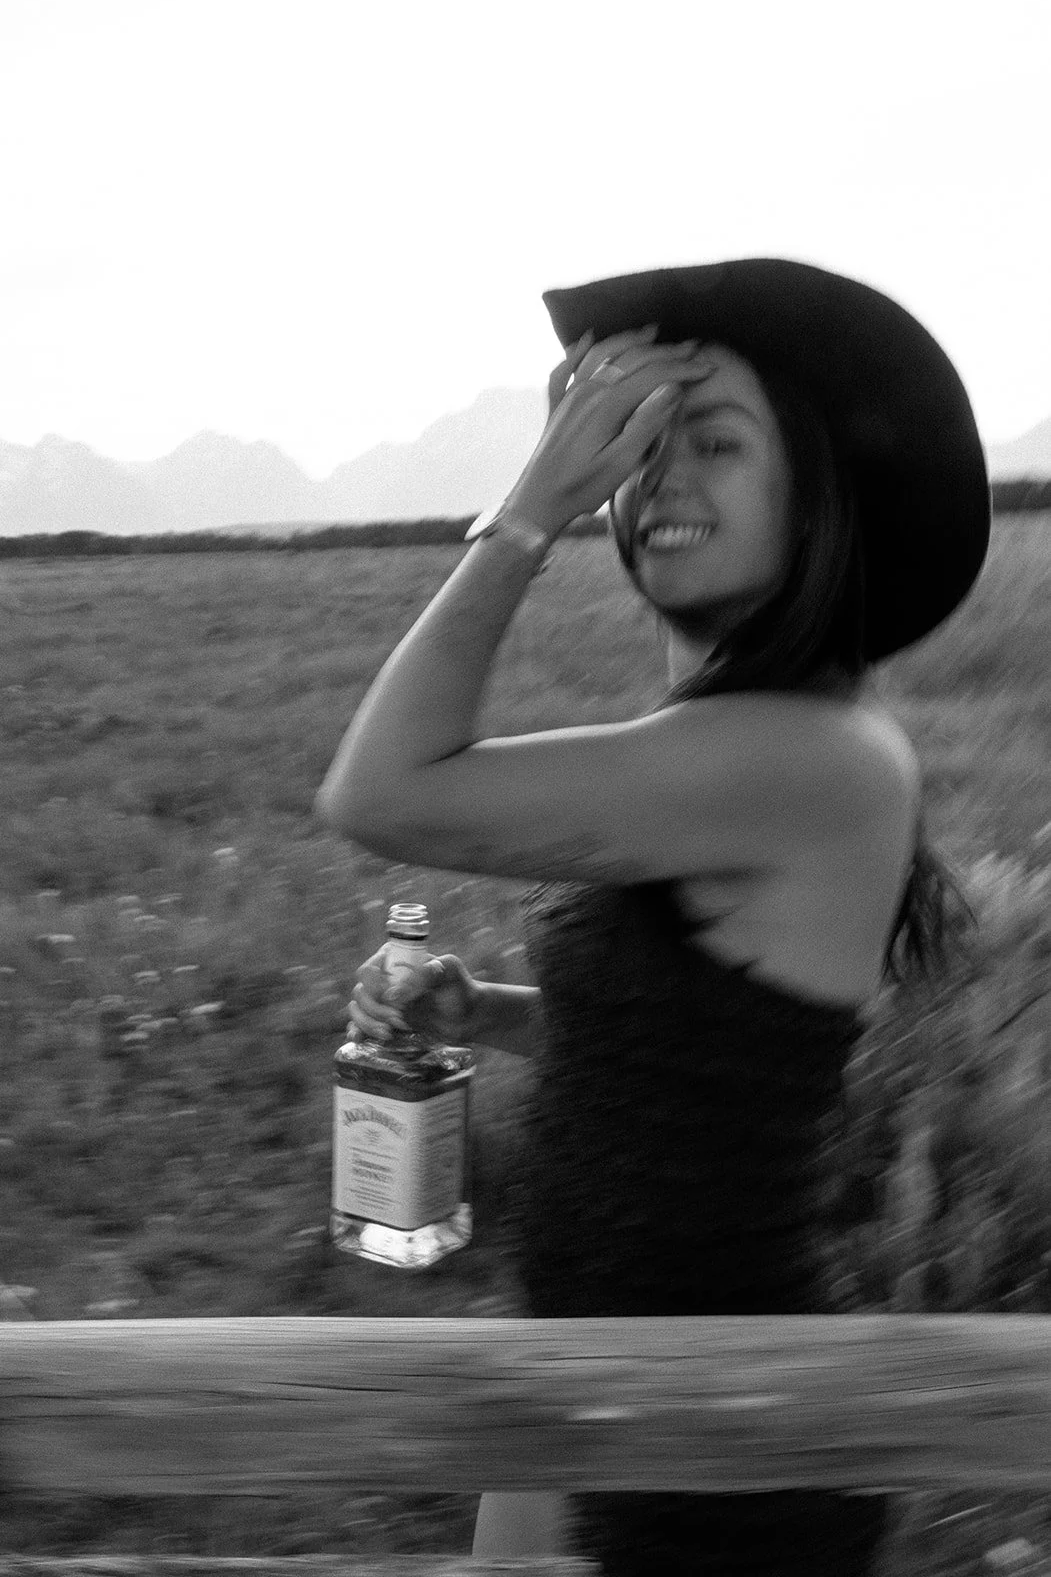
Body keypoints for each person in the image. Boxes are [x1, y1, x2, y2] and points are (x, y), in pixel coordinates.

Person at [316, 258, 990, 1576]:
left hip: (718, 1435)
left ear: (815, 500)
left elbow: (379, 791)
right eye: (642, 445)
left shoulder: (815, 756)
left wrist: (526, 513)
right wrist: (488, 1014)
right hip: (588, 1377)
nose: (656, 477)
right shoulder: (726, 742)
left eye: (716, 443)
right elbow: (700, 1070)